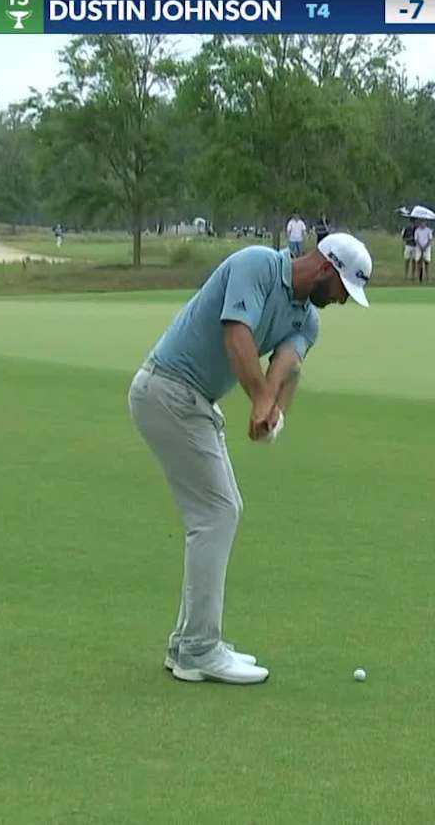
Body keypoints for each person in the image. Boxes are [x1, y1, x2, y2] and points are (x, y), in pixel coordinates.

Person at [130, 233, 372, 685]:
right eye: (342, 289)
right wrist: (258, 396)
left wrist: (271, 408)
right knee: (217, 513)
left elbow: (287, 364)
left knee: (219, 512)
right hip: (165, 390)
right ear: (324, 269)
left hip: (195, 402)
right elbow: (236, 332)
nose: (341, 300)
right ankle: (198, 650)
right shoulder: (256, 265)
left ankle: (190, 643)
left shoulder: (308, 320)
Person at [414, 217, 434, 283]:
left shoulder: (428, 230)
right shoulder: (417, 230)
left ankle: (428, 277)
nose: (422, 224)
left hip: (427, 248)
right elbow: (416, 240)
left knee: (427, 262)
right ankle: (418, 277)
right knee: (418, 262)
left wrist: (425, 247)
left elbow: (430, 239)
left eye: (424, 222)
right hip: (419, 248)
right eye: (421, 222)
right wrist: (420, 247)